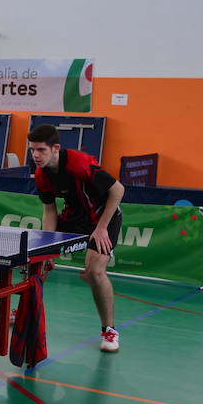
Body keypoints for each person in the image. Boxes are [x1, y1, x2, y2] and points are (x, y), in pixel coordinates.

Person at [28, 123, 126, 352]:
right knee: (36, 260)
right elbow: (49, 211)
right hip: (74, 218)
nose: (35, 155)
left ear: (56, 148)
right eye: (32, 150)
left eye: (41, 150)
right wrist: (48, 248)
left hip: (104, 217)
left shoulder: (79, 163)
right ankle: (25, 312)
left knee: (95, 271)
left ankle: (109, 331)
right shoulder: (42, 175)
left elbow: (118, 190)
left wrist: (101, 229)